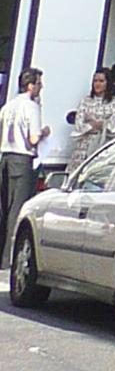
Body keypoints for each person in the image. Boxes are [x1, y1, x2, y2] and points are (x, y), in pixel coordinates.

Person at [1, 70, 50, 254]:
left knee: (5, 207)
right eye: (38, 83)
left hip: (6, 157)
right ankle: (10, 255)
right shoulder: (31, 107)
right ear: (30, 85)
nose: (41, 87)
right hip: (22, 159)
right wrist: (45, 131)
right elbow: (34, 138)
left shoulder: (8, 106)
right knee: (18, 208)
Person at [66, 70, 115, 168]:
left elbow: (112, 128)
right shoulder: (85, 101)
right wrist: (91, 125)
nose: (97, 84)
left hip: (103, 147)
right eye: (95, 81)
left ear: (108, 83)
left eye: (101, 81)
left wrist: (100, 124)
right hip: (83, 150)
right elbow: (78, 128)